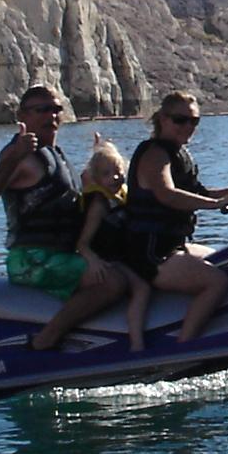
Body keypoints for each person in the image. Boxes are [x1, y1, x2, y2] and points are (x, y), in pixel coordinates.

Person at [0, 85, 134, 349]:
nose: (52, 116)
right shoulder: (20, 155)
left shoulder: (55, 154)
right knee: (113, 281)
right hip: (32, 259)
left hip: (61, 255)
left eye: (57, 109)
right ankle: (47, 338)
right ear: (23, 115)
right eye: (42, 110)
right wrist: (14, 155)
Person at [112, 91, 228, 346]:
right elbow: (167, 195)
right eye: (180, 120)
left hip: (173, 245)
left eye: (194, 121)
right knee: (216, 283)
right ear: (163, 119)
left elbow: (202, 193)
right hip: (149, 253)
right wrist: (216, 204)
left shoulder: (179, 154)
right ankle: (184, 347)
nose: (188, 127)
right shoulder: (155, 154)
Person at [31, 135, 152, 353]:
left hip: (122, 256)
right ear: (96, 179)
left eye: (118, 171)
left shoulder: (118, 195)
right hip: (110, 260)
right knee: (141, 288)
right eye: (107, 174)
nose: (115, 177)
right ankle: (137, 343)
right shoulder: (99, 204)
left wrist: (100, 147)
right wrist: (93, 261)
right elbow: (83, 242)